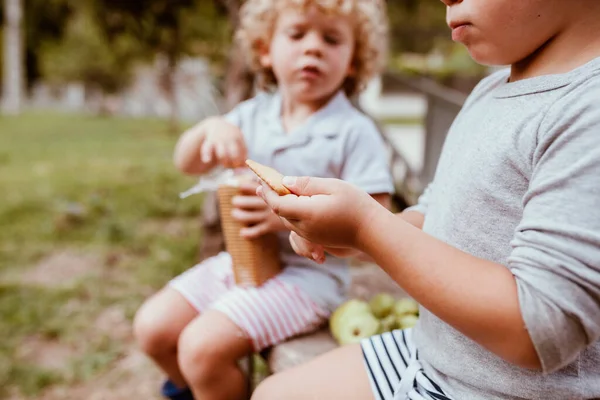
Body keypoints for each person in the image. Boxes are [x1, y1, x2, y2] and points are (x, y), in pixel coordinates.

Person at [252, 0, 600, 399]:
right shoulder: (492, 89)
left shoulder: (589, 111)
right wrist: (351, 235)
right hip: (434, 354)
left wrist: (368, 227)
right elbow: (439, 215)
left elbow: (541, 328)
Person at [133, 1, 394, 399]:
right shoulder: (252, 116)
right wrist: (209, 128)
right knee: (152, 327)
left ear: (354, 61)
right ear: (265, 51)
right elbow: (185, 163)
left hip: (309, 280)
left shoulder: (354, 132)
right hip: (244, 263)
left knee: (200, 349)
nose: (313, 48)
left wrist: (285, 220)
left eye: (331, 38)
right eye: (296, 34)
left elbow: (379, 227)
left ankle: (211, 385)